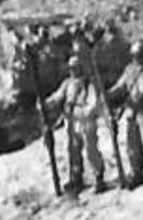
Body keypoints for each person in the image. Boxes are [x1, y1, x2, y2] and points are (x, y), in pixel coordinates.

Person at [45, 53, 107, 194]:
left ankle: (98, 177)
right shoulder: (67, 83)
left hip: (85, 120)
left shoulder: (88, 83)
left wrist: (84, 113)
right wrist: (46, 103)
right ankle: (76, 178)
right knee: (73, 150)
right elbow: (58, 97)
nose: (73, 70)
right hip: (71, 121)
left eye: (75, 67)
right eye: (71, 68)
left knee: (91, 149)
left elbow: (93, 102)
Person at [108, 37, 143, 189]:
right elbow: (121, 86)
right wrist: (108, 94)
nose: (137, 59)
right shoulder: (129, 70)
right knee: (132, 144)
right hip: (132, 110)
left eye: (139, 55)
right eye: (134, 56)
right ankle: (136, 172)